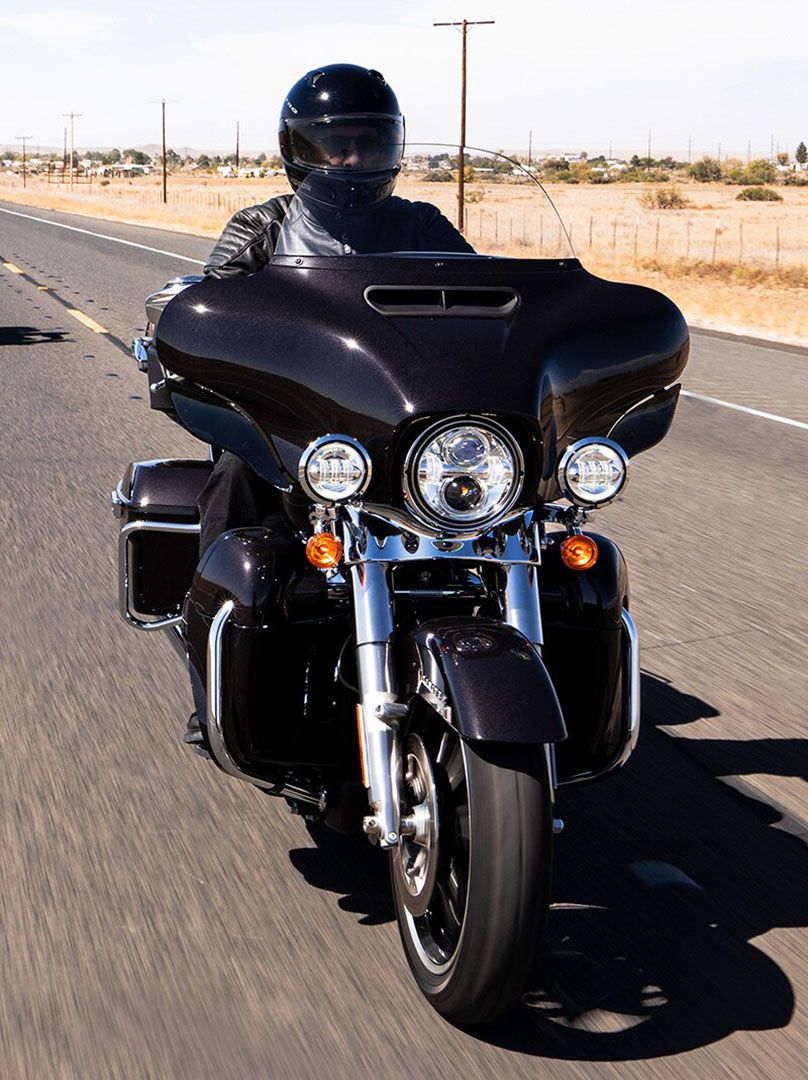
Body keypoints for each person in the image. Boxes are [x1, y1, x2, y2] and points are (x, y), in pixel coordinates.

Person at [184, 63, 473, 746]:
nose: (348, 159)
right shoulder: (262, 227)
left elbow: (482, 307)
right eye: (332, 144)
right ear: (299, 150)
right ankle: (211, 678)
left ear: (391, 147)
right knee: (232, 482)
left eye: (366, 144)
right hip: (293, 428)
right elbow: (209, 312)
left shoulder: (423, 226)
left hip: (401, 428)